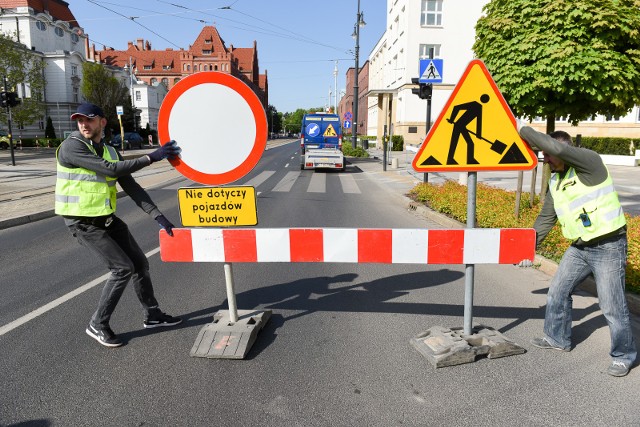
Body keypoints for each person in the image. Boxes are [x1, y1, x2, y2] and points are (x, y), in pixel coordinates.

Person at [55, 102, 183, 348]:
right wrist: (150, 157)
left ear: (102, 122)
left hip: (106, 218)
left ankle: (153, 314)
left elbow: (132, 187)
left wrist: (158, 216)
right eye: (79, 120)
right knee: (122, 268)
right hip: (82, 222)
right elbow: (110, 170)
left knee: (140, 264)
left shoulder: (110, 150)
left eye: (89, 119)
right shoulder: (71, 147)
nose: (83, 124)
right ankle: (98, 323)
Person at [519, 126, 636, 377]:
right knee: (558, 291)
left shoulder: (589, 164)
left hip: (608, 245)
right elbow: (547, 217)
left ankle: (623, 355)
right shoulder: (555, 179)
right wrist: (526, 247)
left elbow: (557, 148)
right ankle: (557, 338)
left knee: (612, 305)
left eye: (548, 155)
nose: (545, 159)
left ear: (565, 151)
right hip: (580, 247)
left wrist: (522, 129)